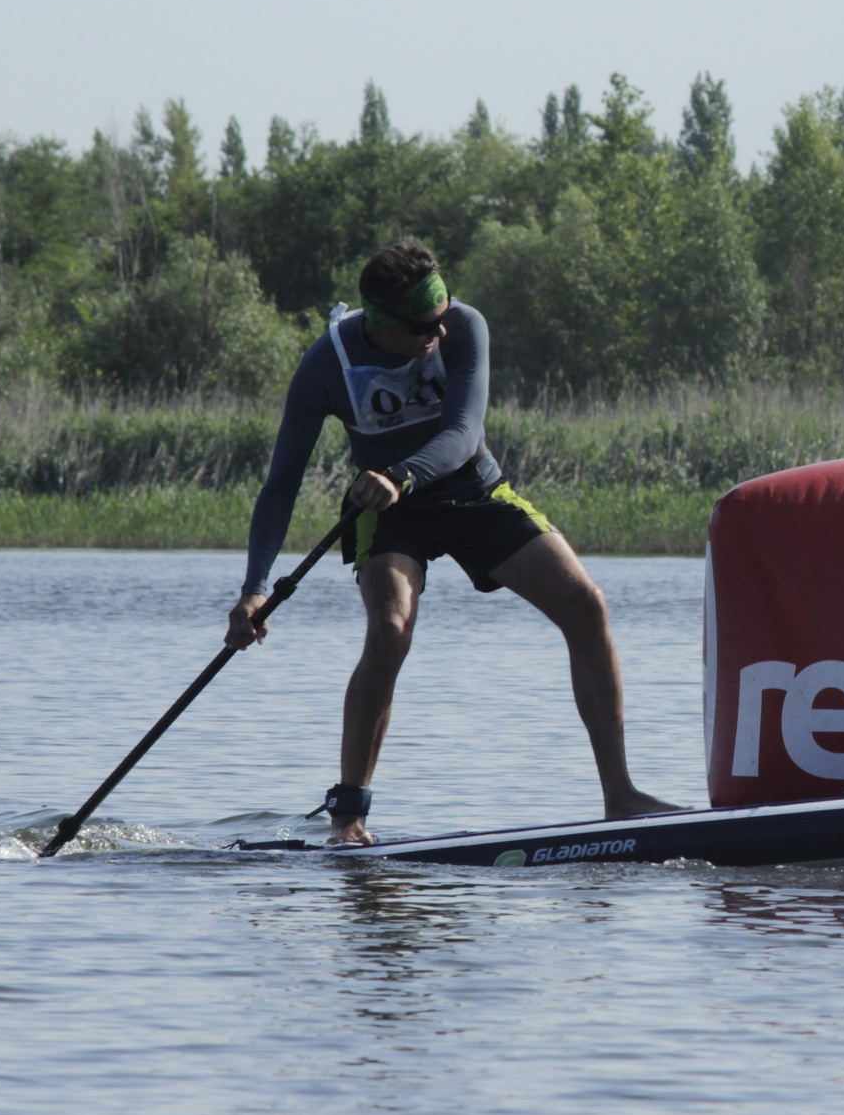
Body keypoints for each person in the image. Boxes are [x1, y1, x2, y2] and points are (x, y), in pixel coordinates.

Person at [228, 236, 677, 844]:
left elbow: (463, 432)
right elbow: (281, 485)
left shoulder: (463, 325)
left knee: (587, 605)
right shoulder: (326, 364)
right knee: (390, 630)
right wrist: (255, 590)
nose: (437, 335)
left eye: (441, 320)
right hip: (391, 517)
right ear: (380, 324)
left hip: (472, 493)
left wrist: (400, 474)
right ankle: (350, 817)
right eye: (422, 328)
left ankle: (620, 797)